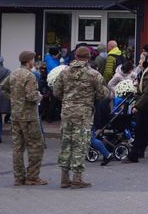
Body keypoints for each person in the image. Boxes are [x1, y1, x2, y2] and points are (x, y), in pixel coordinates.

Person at [54, 46, 109, 188]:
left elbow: (56, 92)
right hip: (83, 113)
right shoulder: (93, 74)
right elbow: (103, 94)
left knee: (66, 143)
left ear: (75, 56)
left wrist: (67, 100)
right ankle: (77, 179)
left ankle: (64, 179)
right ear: (89, 57)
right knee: (80, 144)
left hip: (67, 112)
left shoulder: (64, 72)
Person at [0, 51, 46, 186]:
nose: (34, 62)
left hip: (15, 115)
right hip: (29, 116)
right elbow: (31, 96)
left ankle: (19, 177)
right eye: (33, 59)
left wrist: (14, 99)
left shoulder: (13, 73)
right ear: (29, 61)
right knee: (36, 146)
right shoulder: (29, 76)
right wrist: (40, 96)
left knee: (17, 147)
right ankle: (32, 176)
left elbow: (3, 88)